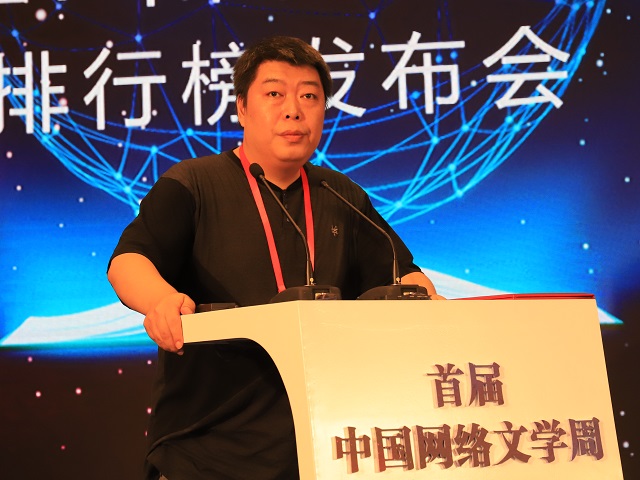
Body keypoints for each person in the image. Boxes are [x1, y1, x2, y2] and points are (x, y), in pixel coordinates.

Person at [107, 35, 445, 480]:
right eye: (274, 94)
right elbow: (129, 260)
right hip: (206, 449)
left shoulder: (340, 194)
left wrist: (429, 304)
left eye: (309, 96)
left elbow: (405, 276)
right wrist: (160, 301)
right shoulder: (193, 183)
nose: (293, 110)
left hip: (323, 448)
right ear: (242, 108)